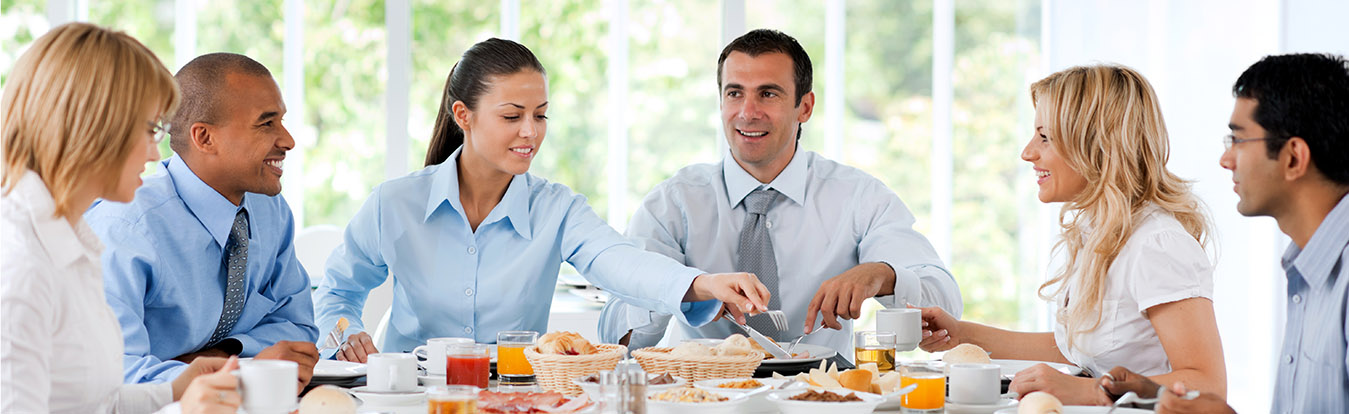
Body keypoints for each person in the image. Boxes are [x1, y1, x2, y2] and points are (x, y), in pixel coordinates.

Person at [313, 38, 771, 361]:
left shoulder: (557, 208)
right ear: (463, 116)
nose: (530, 132)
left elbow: (621, 261)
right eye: (512, 116)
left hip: (516, 394)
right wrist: (345, 334)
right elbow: (337, 292)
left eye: (540, 115)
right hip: (412, 398)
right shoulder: (395, 202)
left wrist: (704, 283)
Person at [597, 28, 962, 355]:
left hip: (824, 394)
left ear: (805, 107)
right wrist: (683, 288)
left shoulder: (859, 198)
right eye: (734, 93)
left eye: (768, 94)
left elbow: (946, 306)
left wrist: (882, 275)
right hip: (703, 395)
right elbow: (615, 338)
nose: (747, 112)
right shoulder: (673, 204)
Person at [917, 64, 1227, 405]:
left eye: (1045, 137)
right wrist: (960, 334)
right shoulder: (1100, 232)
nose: (1027, 152)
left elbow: (1208, 385)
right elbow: (1077, 350)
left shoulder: (1157, 244)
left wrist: (1086, 391)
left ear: (1097, 145)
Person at [1, 22, 242, 414]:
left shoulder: (70, 240)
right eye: (150, 130)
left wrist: (176, 391)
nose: (155, 153)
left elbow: (93, 402)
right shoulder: (20, 264)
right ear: (93, 125)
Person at [1101, 53, 1349, 414]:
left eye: (1238, 140)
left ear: (1293, 157)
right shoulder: (1306, 268)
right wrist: (1156, 394)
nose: (1225, 159)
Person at [84, 52, 320, 391]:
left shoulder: (271, 210)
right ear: (205, 138)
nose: (288, 140)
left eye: (282, 121)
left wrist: (218, 357)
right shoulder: (125, 228)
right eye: (266, 123)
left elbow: (299, 331)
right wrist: (241, 372)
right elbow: (115, 373)